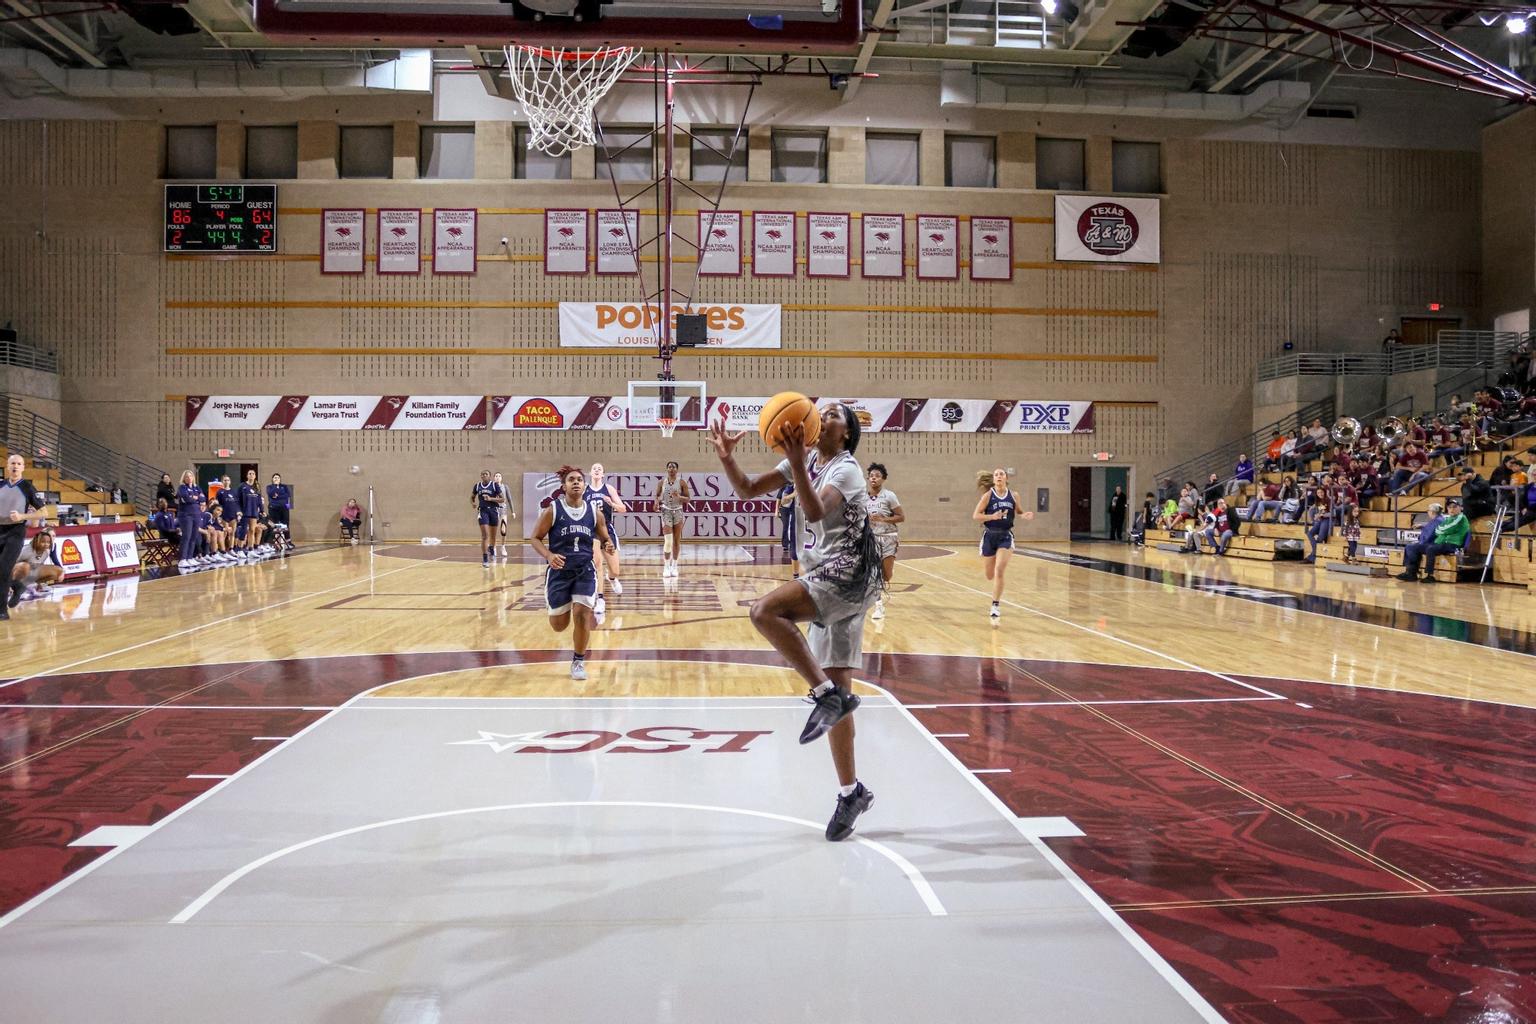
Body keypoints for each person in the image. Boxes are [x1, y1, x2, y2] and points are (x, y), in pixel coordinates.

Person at [707, 403, 884, 841]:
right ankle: (851, 792)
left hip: (850, 572)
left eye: (834, 415)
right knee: (842, 692)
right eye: (821, 410)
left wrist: (800, 463)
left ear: (845, 434)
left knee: (764, 611)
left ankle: (823, 695)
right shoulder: (803, 461)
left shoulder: (847, 470)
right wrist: (728, 457)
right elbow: (748, 489)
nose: (823, 416)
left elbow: (817, 511)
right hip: (830, 572)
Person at [529, 465, 614, 681]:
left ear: (584, 485)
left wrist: (608, 545)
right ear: (563, 486)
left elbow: (605, 538)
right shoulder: (553, 510)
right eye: (571, 480)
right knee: (559, 625)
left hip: (585, 570)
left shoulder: (594, 513)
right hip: (559, 572)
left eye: (579, 479)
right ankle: (556, 607)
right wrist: (548, 556)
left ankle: (578, 660)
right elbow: (535, 538)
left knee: (582, 615)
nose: (576, 482)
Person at [973, 467, 1036, 622]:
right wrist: (992, 516)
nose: (999, 476)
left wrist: (1024, 514)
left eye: (1001, 474)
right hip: (989, 535)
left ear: (1006, 478)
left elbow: (1019, 511)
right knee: (989, 575)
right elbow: (976, 515)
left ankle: (995, 605)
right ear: (993, 480)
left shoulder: (1014, 495)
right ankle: (996, 586)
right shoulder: (988, 496)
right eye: (996, 474)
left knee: (999, 569)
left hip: (1005, 536)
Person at [0, 455, 49, 618]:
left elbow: (44, 512)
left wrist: (22, 517)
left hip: (15, 533)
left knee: (4, 569)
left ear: (23, 468)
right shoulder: (1, 485)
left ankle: (2, 611)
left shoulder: (27, 487)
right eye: (12, 463)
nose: (15, 466)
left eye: (19, 464)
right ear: (7, 466)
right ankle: (17, 586)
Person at [585, 462, 627, 620]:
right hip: (591, 531)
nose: (596, 470)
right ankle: (600, 599)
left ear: (603, 474)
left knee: (615, 569)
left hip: (607, 531)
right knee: (597, 564)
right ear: (590, 473)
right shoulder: (585, 490)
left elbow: (623, 509)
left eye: (599, 469)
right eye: (594, 468)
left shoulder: (608, 489)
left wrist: (612, 503)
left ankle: (613, 579)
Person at [1397, 498, 1468, 582]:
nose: (1452, 509)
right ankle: (1411, 573)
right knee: (1412, 547)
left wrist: (1440, 531)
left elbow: (1443, 530)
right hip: (1441, 543)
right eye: (1449, 507)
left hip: (1452, 544)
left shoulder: (1461, 517)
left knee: (1431, 548)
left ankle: (1430, 575)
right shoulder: (1448, 519)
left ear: (1460, 508)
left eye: (1454, 507)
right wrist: (1439, 531)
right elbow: (1439, 530)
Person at [865, 463, 903, 620]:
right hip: (871, 538)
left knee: (886, 575)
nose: (874, 478)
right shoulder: (862, 496)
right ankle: (879, 606)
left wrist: (883, 519)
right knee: (873, 573)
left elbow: (901, 517)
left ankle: (881, 585)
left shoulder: (889, 496)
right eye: (871, 475)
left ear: (883, 479)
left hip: (889, 538)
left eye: (877, 475)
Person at [9, 528, 63, 606]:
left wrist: (62, 571)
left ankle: (31, 587)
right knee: (26, 567)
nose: (52, 539)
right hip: (15, 569)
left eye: (54, 536)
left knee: (55, 572)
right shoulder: (30, 548)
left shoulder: (49, 548)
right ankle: (16, 589)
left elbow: (52, 561)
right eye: (50, 536)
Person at [657, 460, 691, 579]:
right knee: (668, 541)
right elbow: (657, 495)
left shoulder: (682, 482)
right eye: (669, 467)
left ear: (677, 470)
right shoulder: (662, 482)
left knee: (676, 541)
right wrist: (656, 503)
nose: (671, 469)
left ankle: (674, 566)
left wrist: (679, 496)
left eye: (674, 467)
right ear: (667, 469)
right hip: (666, 511)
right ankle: (666, 566)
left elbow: (688, 499)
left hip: (678, 511)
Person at [470, 469, 502, 567]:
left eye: (486, 474)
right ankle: (485, 558)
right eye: (482, 474)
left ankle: (491, 548)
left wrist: (491, 498)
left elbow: (502, 499)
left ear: (489, 476)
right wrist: (473, 503)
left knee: (493, 536)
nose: (484, 475)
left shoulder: (494, 485)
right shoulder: (477, 485)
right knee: (485, 535)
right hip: (483, 511)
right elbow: (472, 497)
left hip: (493, 510)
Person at [174, 470, 205, 570]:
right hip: (186, 515)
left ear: (193, 477)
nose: (189, 478)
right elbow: (186, 499)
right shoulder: (182, 488)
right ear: (184, 478)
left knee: (194, 536)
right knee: (186, 536)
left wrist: (194, 498)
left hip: (196, 514)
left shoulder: (196, 487)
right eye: (186, 476)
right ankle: (182, 559)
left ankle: (190, 557)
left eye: (190, 476)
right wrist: (195, 498)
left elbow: (203, 498)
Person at [237, 469, 267, 555]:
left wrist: (262, 510)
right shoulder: (242, 486)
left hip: (254, 512)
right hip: (245, 512)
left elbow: (259, 500)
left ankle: (251, 550)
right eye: (249, 473)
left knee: (252, 530)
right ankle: (239, 550)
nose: (251, 475)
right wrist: (239, 511)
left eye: (253, 474)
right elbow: (238, 500)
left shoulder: (256, 487)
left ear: (255, 476)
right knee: (243, 531)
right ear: (247, 475)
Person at [265, 473, 293, 550]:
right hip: (273, 509)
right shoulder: (269, 487)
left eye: (278, 478)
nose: (276, 479)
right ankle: (273, 543)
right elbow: (271, 494)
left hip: (284, 509)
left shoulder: (284, 487)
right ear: (272, 479)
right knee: (273, 526)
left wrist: (277, 496)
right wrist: (275, 487)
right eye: (275, 478)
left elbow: (288, 495)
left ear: (280, 479)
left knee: (286, 525)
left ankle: (288, 542)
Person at [777, 481, 799, 578]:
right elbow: (783, 501)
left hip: (811, 517)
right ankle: (796, 575)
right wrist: (793, 495)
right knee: (794, 545)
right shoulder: (790, 486)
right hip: (796, 517)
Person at [493, 472, 515, 558]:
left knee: (503, 530)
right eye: (496, 476)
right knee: (493, 530)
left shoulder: (505, 487)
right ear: (494, 478)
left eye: (499, 476)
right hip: (494, 510)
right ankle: (493, 547)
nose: (498, 477)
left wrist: (513, 511)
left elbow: (509, 499)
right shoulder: (492, 487)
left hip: (503, 510)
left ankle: (503, 547)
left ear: (501, 478)